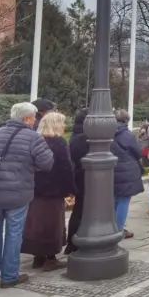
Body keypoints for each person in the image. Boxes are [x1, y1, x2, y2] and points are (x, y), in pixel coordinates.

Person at [0, 102, 54, 288]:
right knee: (14, 233)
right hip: (19, 193)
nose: (36, 120)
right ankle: (9, 276)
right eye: (34, 117)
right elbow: (47, 163)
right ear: (27, 119)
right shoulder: (33, 138)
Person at [22, 112, 76, 271]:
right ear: (56, 125)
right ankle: (51, 258)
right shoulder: (59, 142)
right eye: (63, 123)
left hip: (34, 189)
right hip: (53, 190)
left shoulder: (35, 140)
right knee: (53, 223)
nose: (65, 126)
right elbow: (66, 167)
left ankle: (37, 256)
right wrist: (71, 189)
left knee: (35, 222)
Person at [111, 110, 145, 239]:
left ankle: (111, 227)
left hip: (112, 168)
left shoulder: (107, 133)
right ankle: (119, 229)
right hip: (127, 170)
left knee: (114, 200)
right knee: (124, 200)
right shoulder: (127, 134)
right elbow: (137, 152)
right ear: (126, 120)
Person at [66, 108, 89, 254]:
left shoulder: (76, 134)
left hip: (79, 176)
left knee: (79, 210)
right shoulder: (83, 137)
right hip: (85, 177)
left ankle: (72, 241)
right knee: (81, 210)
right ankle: (74, 241)